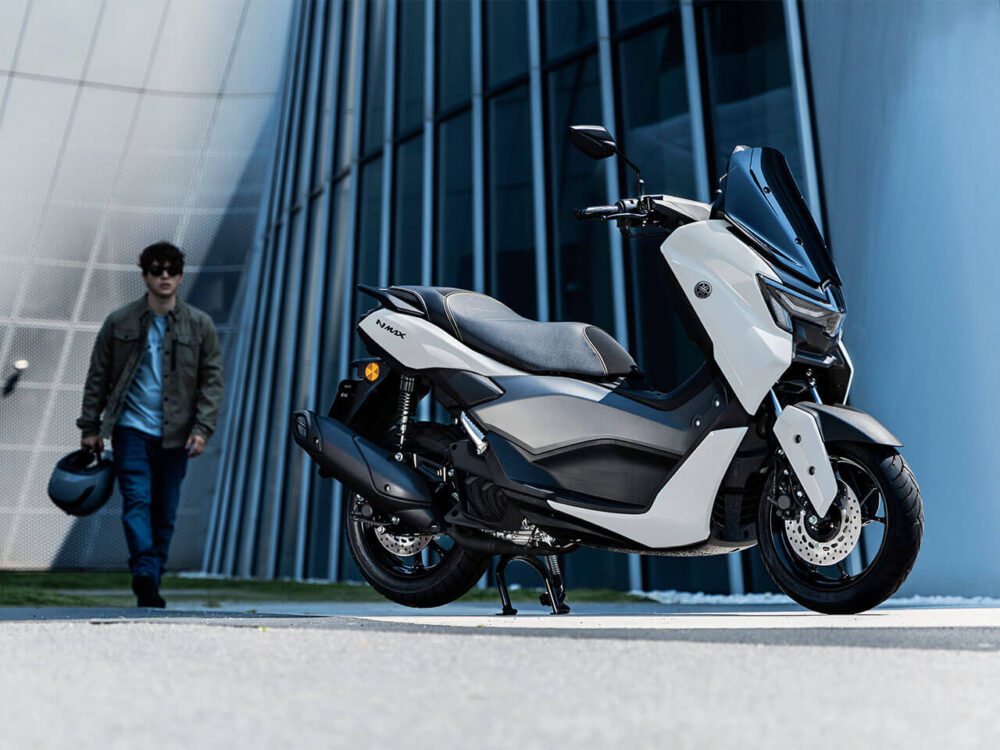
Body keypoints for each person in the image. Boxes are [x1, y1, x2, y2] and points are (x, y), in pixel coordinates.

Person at [77, 242, 223, 608]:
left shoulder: (199, 324)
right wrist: (90, 427)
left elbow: (212, 382)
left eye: (171, 270)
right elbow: (98, 377)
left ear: (180, 276)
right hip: (131, 430)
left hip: (178, 435)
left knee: (165, 512)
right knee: (137, 502)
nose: (164, 276)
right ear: (144, 275)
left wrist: (203, 429)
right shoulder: (119, 322)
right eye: (156, 270)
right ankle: (144, 573)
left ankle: (150, 574)